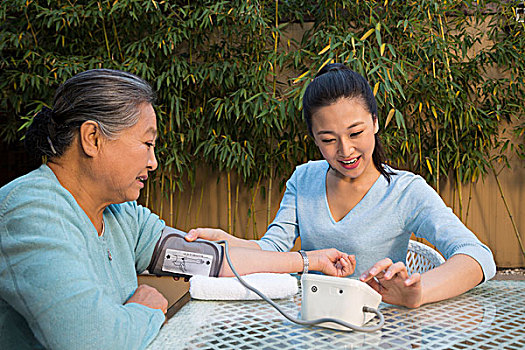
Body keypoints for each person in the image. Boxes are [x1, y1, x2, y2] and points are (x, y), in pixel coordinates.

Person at [0, 69, 355, 350]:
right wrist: (147, 308)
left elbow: (208, 259)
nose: (154, 162)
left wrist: (308, 261)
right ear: (92, 138)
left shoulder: (121, 215)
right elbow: (91, 340)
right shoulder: (29, 211)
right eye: (147, 143)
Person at [186, 63, 497, 309]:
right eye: (328, 140)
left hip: (381, 331)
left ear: (375, 122)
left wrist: (417, 293)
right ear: (314, 138)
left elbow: (476, 255)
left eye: (355, 133)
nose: (345, 150)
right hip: (310, 326)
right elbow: (274, 249)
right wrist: (231, 242)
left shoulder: (406, 192)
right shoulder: (303, 179)